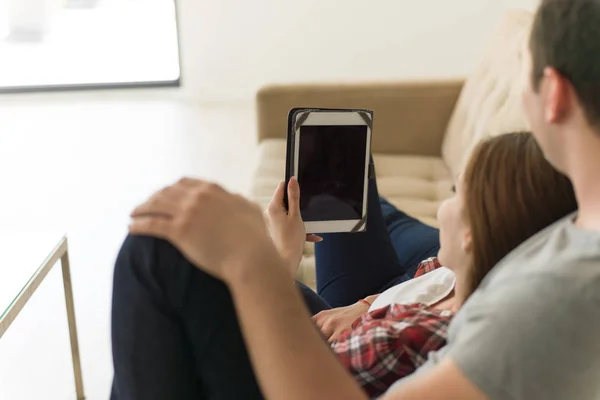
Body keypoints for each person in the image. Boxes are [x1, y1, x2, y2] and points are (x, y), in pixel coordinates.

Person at [113, 0, 600, 399]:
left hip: (337, 369)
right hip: (380, 314)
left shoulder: (557, 294)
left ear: (553, 93)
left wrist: (253, 259)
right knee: (341, 178)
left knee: (158, 256)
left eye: (526, 74)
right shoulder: (565, 242)